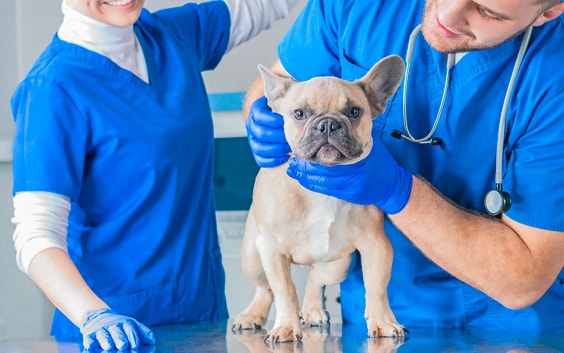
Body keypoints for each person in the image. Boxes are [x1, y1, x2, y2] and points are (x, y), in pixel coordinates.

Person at [244, 0, 564, 333]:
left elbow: (523, 279)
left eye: (487, 12)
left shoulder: (556, 78)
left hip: (507, 331)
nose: (448, 14)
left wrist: (399, 192)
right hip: (373, 320)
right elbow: (278, 79)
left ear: (548, 11)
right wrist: (260, 116)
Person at [10, 0, 300, 350]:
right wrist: (93, 315)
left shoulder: (172, 35)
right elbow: (35, 236)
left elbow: (266, 4)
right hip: (112, 331)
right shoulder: (53, 88)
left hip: (201, 318)